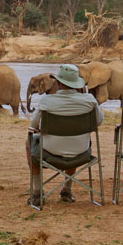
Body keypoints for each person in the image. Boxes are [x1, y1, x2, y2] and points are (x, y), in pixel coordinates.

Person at [26, 64, 104, 206]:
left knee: (29, 142)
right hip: (81, 153)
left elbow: (33, 125)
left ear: (58, 82)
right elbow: (98, 121)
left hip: (50, 153)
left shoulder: (46, 101)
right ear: (76, 84)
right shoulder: (90, 101)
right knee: (74, 139)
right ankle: (67, 190)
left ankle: (37, 192)